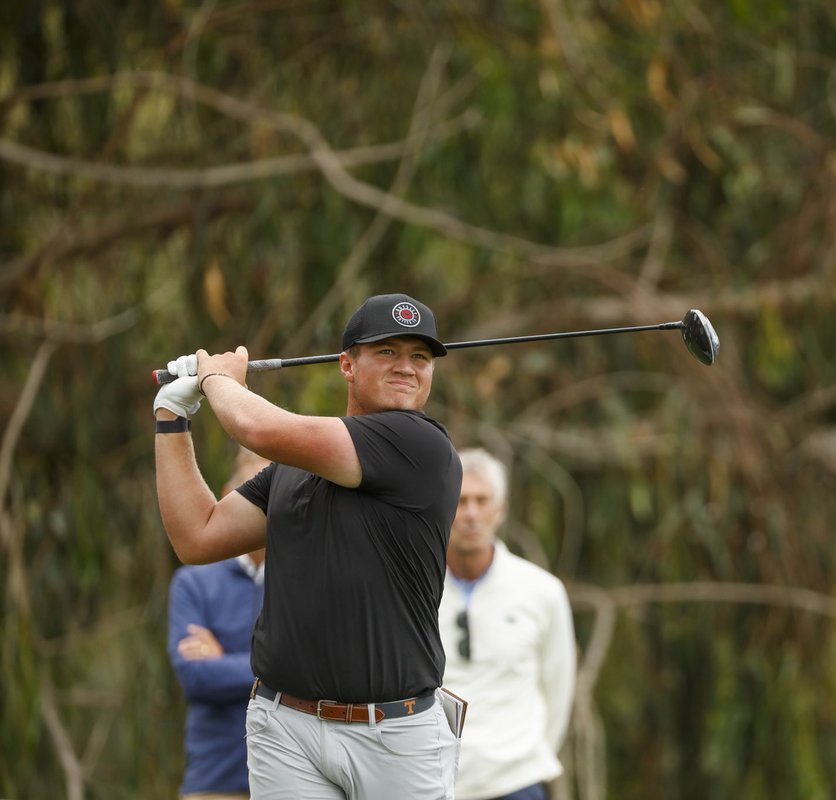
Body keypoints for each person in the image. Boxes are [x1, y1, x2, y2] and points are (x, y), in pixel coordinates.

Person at [152, 293, 464, 800]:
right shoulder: (293, 469)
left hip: (395, 735)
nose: (406, 367)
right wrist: (172, 415)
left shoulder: (421, 445)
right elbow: (198, 535)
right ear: (347, 364)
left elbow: (256, 427)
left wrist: (217, 378)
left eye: (420, 357)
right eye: (387, 351)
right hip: (285, 729)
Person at [439, 448, 576, 800]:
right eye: (461, 501)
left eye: (482, 500)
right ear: (443, 508)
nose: (471, 513)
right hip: (437, 781)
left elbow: (558, 687)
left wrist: (528, 757)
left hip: (516, 781)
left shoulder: (542, 591)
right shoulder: (416, 592)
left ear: (499, 510)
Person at [168, 446, 271, 800]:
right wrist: (276, 671)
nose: (264, 504)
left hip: (291, 781)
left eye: (273, 492)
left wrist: (224, 661)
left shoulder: (305, 581)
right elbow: (195, 677)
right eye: (253, 490)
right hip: (214, 781)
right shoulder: (193, 582)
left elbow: (316, 670)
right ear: (228, 495)